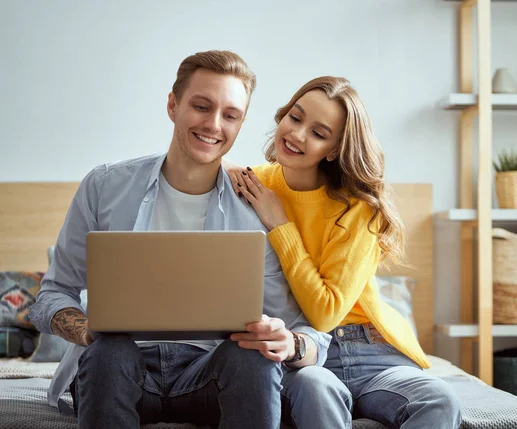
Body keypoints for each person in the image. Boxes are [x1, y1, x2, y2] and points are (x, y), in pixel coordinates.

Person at [29, 51, 354, 429]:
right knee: (108, 351)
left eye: (230, 115)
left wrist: (291, 342)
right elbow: (51, 295)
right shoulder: (104, 187)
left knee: (251, 358)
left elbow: (311, 329)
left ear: (241, 123)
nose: (214, 125)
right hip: (122, 369)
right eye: (201, 106)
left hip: (211, 375)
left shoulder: (259, 208)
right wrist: (84, 329)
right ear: (173, 104)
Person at [225, 76, 463, 428]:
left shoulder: (358, 209)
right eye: (295, 117)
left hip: (372, 350)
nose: (297, 135)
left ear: (335, 150)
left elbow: (327, 312)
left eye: (319, 134)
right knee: (316, 390)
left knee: (439, 400)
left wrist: (280, 226)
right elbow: (204, 170)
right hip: (303, 352)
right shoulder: (252, 185)